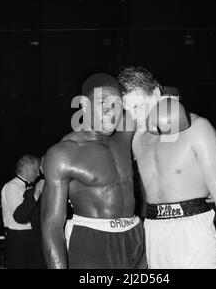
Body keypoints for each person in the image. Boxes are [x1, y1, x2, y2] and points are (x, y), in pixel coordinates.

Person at [118, 66, 216, 269]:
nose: (133, 115)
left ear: (156, 94)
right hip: (154, 231)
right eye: (127, 109)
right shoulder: (135, 138)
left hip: (193, 232)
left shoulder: (198, 128)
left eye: (137, 107)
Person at [41, 73, 147, 269]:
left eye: (116, 104)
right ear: (84, 104)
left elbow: (159, 106)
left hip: (136, 237)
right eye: (102, 103)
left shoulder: (125, 132)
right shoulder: (64, 153)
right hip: (92, 243)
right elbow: (52, 226)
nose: (111, 111)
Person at [1, 154, 41, 268]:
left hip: (30, 236)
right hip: (18, 238)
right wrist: (35, 194)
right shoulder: (11, 186)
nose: (38, 174)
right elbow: (21, 217)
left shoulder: (28, 187)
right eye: (36, 170)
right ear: (27, 168)